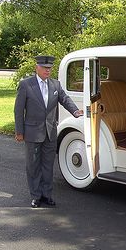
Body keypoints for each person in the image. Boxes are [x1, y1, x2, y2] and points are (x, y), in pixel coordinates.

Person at [14, 55, 83, 208]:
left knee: (48, 165)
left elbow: (65, 99)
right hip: (32, 133)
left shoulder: (55, 85)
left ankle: (47, 195)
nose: (48, 70)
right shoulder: (26, 85)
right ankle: (36, 196)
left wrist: (76, 112)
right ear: (36, 68)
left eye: (50, 68)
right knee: (33, 166)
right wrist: (19, 131)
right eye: (45, 68)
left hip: (50, 132)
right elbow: (18, 110)